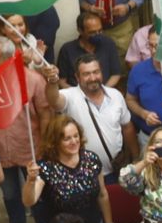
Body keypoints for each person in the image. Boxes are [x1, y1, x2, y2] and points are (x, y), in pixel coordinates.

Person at [24, 114, 112, 223]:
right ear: (55, 141)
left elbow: (102, 194)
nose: (74, 141)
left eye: (76, 136)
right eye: (67, 138)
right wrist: (31, 181)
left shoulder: (92, 160)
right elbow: (29, 201)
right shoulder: (46, 167)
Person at [46, 53, 137, 181]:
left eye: (96, 72)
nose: (93, 77)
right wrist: (52, 82)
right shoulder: (69, 96)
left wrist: (136, 157)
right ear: (77, 77)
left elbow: (127, 127)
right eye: (86, 74)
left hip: (117, 170)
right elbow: (54, 100)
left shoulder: (116, 95)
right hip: (85, 175)